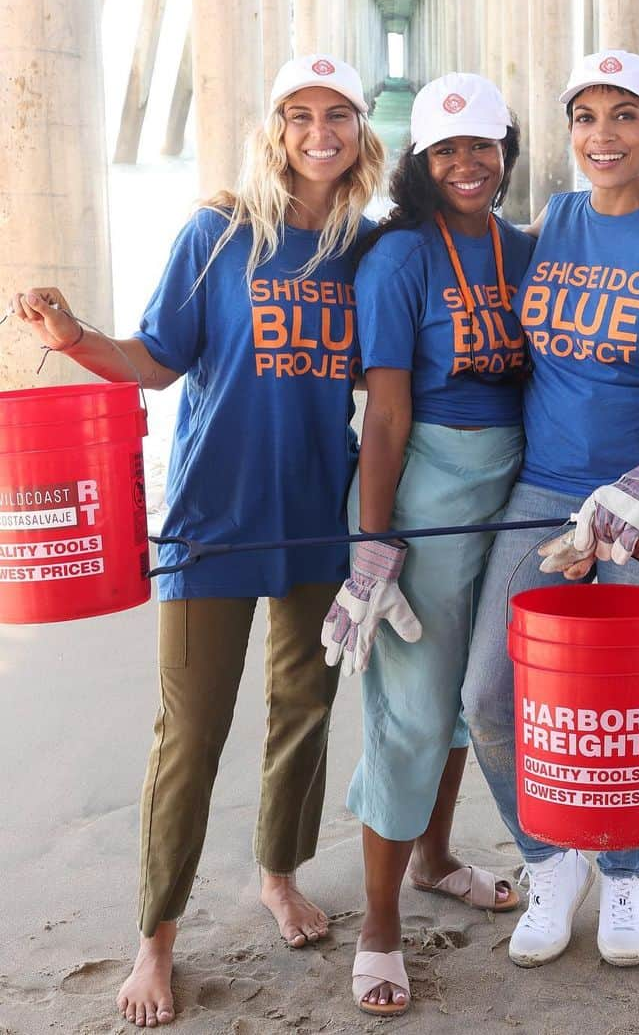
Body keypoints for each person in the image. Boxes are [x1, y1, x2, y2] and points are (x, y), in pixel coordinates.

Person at [10, 54, 384, 1029]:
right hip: (209, 524)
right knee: (190, 732)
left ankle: (278, 873)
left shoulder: (368, 248)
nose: (318, 131)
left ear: (359, 130)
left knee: (303, 707)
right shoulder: (216, 234)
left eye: (336, 114)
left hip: (314, 519)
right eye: (299, 114)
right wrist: (73, 331)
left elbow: (398, 388)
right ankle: (157, 936)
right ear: (275, 127)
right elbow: (153, 363)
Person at [461, 50, 639, 970]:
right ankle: (551, 858)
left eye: (624, 116)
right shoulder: (556, 221)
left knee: (616, 702)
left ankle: (622, 874)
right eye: (586, 117)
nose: (603, 135)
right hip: (542, 487)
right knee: (490, 697)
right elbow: (456, 257)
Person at [321, 73, 535, 1017]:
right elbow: (388, 410)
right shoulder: (399, 257)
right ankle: (377, 925)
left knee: (466, 692)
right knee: (409, 705)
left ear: (505, 153)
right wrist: (375, 542)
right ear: (418, 162)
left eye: (481, 148)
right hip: (428, 483)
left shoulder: (523, 247)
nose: (466, 165)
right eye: (445, 150)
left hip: (521, 481)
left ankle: (437, 857)